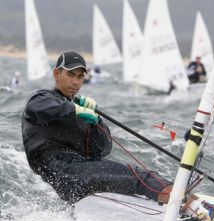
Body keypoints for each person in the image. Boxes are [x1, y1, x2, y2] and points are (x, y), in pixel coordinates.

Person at [22, 51, 171, 204]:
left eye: (80, 77)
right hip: (62, 171)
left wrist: (96, 121)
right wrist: (76, 110)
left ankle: (176, 198)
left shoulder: (80, 108)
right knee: (140, 177)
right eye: (71, 75)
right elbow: (36, 108)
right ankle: (183, 201)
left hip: (77, 178)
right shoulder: (42, 98)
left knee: (141, 177)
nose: (75, 82)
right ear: (56, 74)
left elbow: (102, 150)